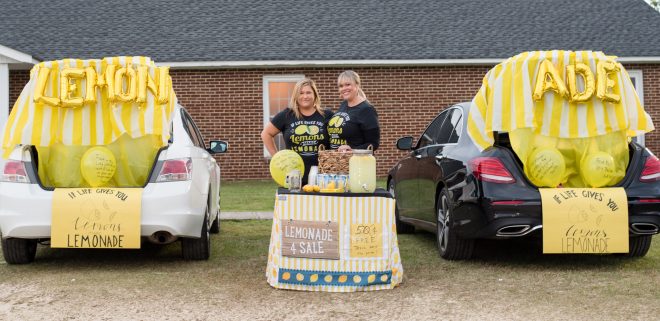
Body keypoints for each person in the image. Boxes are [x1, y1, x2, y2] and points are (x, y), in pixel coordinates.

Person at [261, 78, 333, 184]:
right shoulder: (287, 115)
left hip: (322, 174)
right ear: (296, 96)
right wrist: (277, 158)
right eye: (301, 93)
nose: (305, 96)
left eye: (308, 92)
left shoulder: (327, 115)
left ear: (315, 95)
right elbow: (266, 134)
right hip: (294, 174)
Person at [328, 70, 380, 152]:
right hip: (338, 161)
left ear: (357, 85)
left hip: (357, 162)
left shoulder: (367, 109)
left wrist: (352, 150)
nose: (344, 88)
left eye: (348, 84)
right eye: (341, 86)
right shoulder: (344, 105)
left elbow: (373, 144)